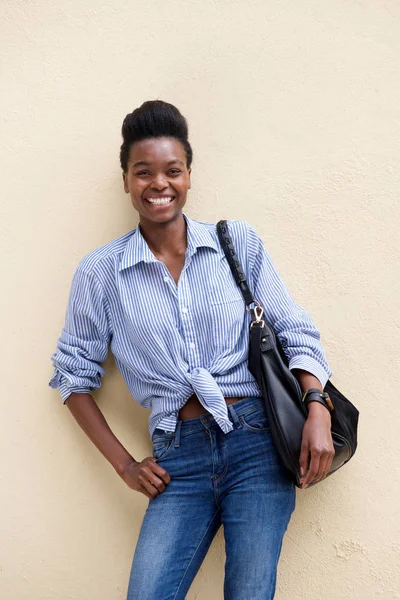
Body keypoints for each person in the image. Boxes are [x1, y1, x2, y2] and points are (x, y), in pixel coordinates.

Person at [49, 100, 334, 600]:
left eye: (172, 171)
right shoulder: (100, 274)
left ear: (188, 176)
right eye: (144, 172)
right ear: (126, 181)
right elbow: (73, 379)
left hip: (256, 444)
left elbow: (295, 331)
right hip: (176, 458)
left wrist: (317, 408)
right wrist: (125, 465)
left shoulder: (235, 243)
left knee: (249, 593)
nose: (159, 183)